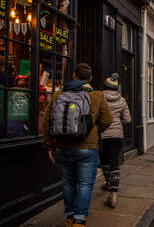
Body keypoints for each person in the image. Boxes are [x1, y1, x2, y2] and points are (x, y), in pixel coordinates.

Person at [42, 63, 113, 227]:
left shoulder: (58, 94)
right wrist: (92, 129)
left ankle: (69, 217)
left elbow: (46, 122)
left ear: (74, 76)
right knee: (86, 185)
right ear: (90, 78)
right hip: (87, 149)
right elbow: (107, 120)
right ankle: (79, 221)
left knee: (68, 183)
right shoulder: (96, 96)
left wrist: (49, 146)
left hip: (62, 147)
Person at [100, 73, 131, 209]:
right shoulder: (122, 100)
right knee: (114, 162)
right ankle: (113, 193)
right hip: (117, 135)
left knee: (104, 161)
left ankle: (108, 182)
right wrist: (118, 123)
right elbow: (128, 119)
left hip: (103, 133)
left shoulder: (100, 98)